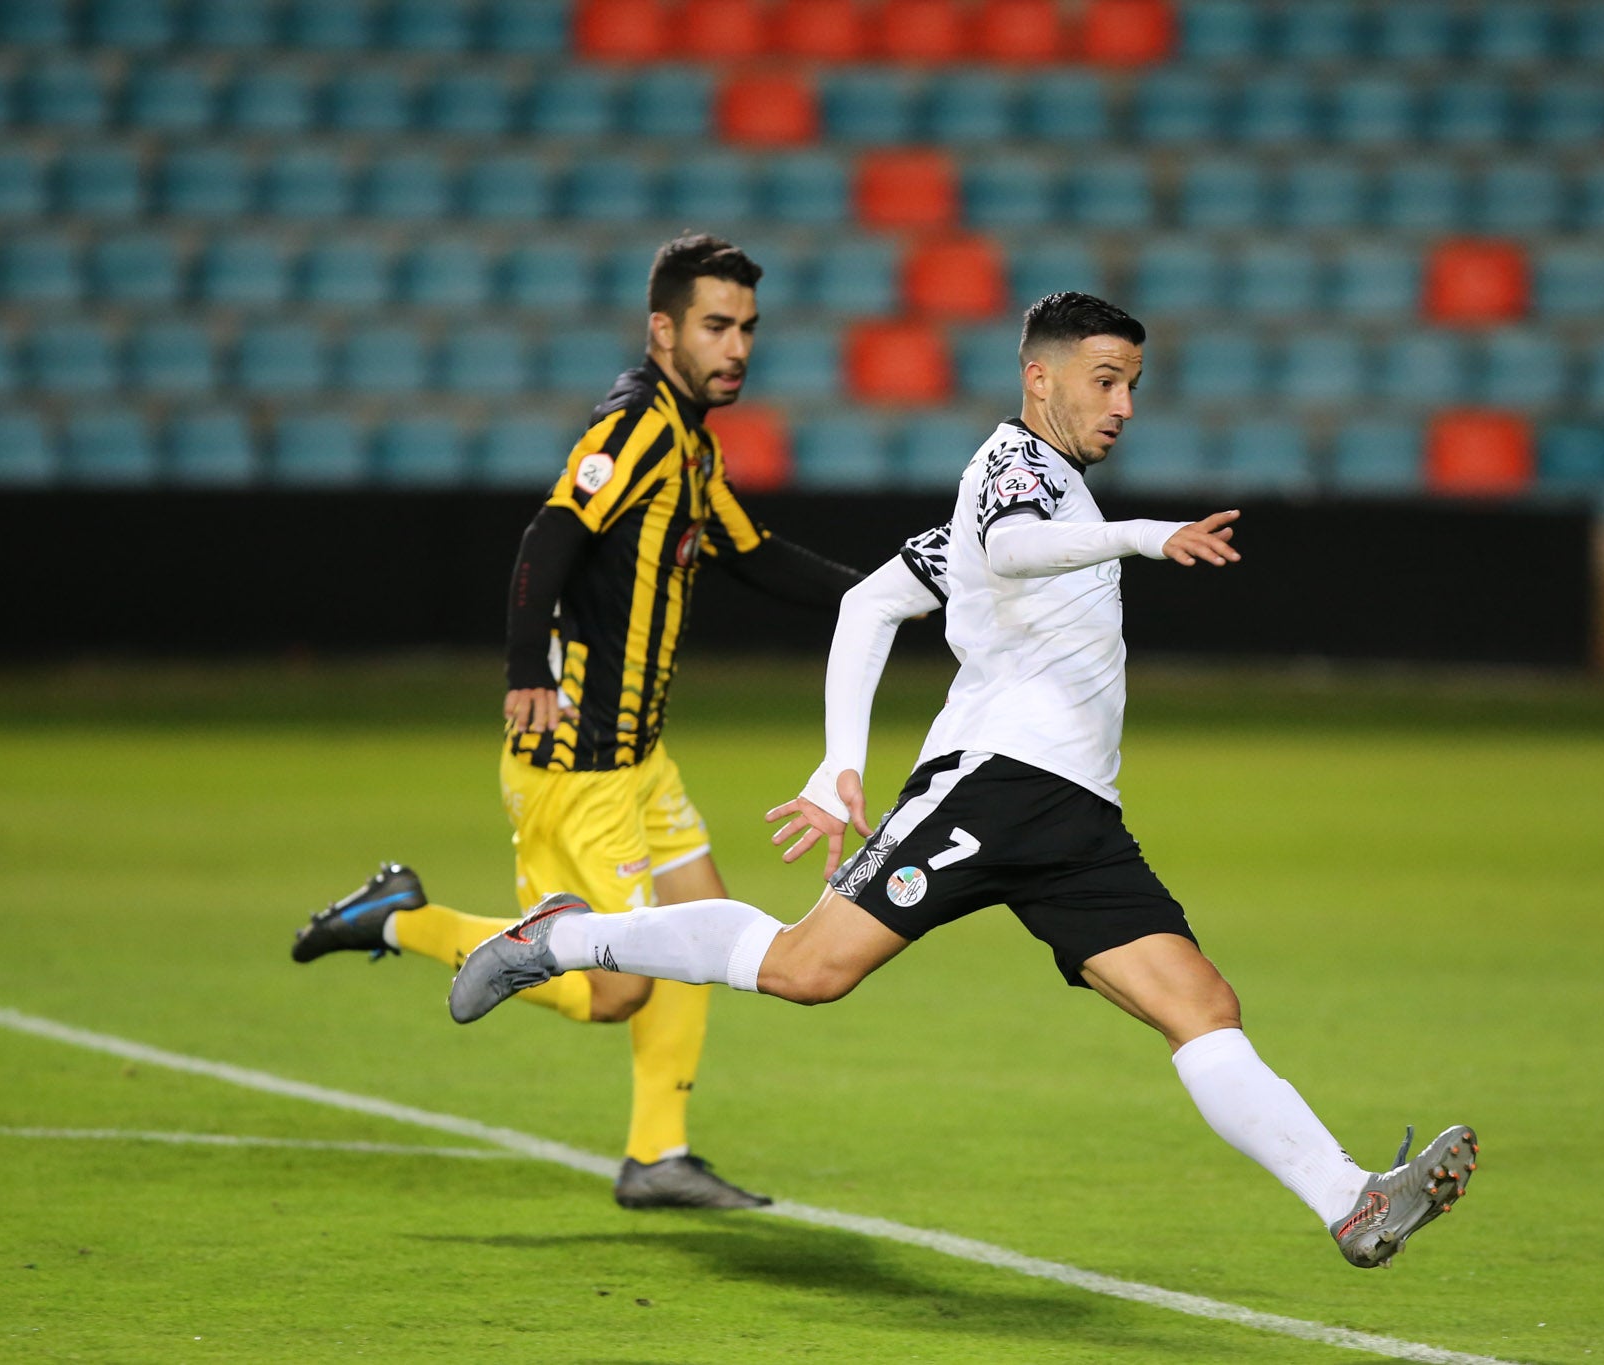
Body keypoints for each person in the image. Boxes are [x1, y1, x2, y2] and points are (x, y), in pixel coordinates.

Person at [447, 291, 1478, 1265]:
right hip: (993, 784)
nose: (1122, 405)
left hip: (1075, 817)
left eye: (1132, 386)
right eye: (1105, 380)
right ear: (1040, 378)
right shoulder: (1012, 471)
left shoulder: (1047, 489)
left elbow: (872, 604)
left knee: (1201, 1004)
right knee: (809, 970)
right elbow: (1012, 544)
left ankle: (1350, 1200)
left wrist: (837, 765)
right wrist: (1144, 535)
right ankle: (561, 937)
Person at [292, 233, 861, 1210]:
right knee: (616, 987)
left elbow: (753, 553)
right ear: (663, 329)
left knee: (699, 932)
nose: (736, 347)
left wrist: (893, 596)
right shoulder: (637, 425)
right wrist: (524, 664)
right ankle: (402, 920)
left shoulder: (690, 441)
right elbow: (551, 529)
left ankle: (656, 1156)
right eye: (715, 326)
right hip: (581, 759)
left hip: (639, 756)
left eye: (747, 330)